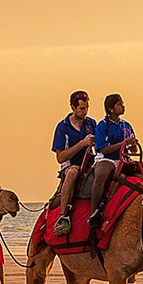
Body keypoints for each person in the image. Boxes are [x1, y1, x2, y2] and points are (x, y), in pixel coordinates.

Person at [88, 93, 143, 226]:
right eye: (119, 104)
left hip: (125, 159)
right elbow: (102, 148)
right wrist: (123, 144)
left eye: (122, 103)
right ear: (111, 108)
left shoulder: (126, 126)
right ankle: (94, 211)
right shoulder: (102, 126)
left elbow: (132, 151)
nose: (123, 106)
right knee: (102, 174)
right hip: (107, 159)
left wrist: (132, 145)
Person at [51, 90, 96, 235]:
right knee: (72, 172)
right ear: (73, 107)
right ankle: (63, 216)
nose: (85, 112)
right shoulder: (63, 127)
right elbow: (61, 157)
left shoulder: (91, 124)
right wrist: (82, 144)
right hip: (71, 165)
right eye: (82, 108)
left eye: (87, 108)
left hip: (91, 163)